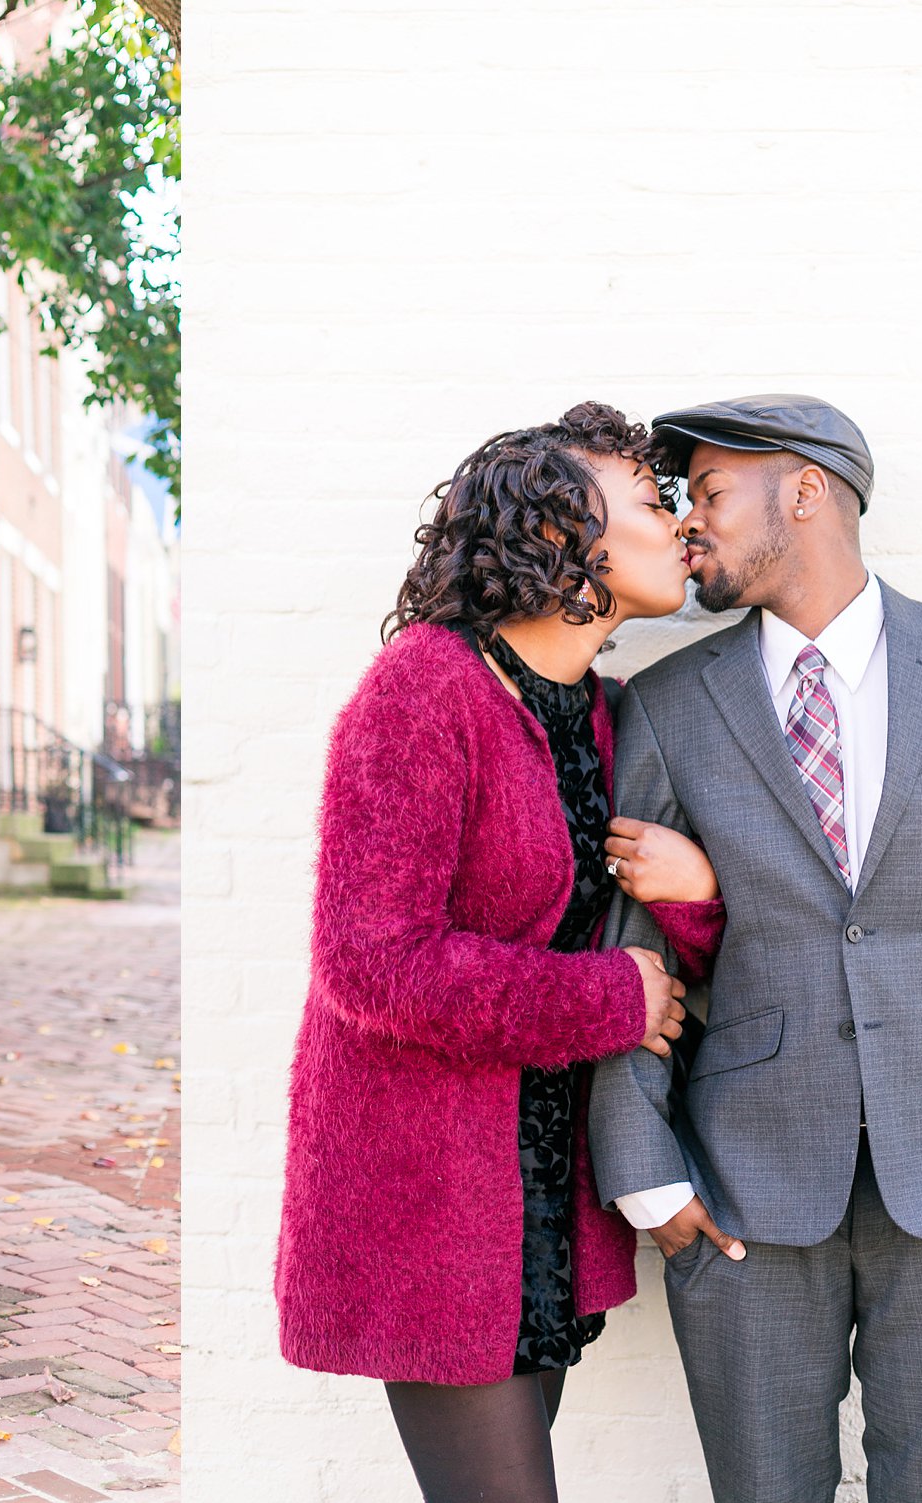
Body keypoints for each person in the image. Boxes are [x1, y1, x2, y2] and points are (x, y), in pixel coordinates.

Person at [589, 394, 922, 1503]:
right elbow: (628, 951)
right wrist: (642, 1176)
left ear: (805, 489)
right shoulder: (669, 700)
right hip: (739, 1187)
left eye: (712, 495)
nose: (691, 528)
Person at [276, 403, 731, 1503]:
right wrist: (607, 998)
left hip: (538, 1202)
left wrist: (701, 895)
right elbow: (369, 959)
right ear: (560, 532)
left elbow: (660, 940)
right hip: (425, 1204)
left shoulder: (609, 713)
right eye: (644, 501)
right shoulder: (425, 689)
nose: (674, 526)